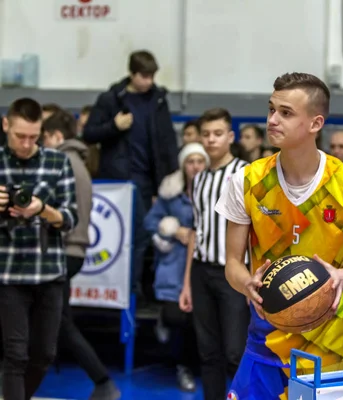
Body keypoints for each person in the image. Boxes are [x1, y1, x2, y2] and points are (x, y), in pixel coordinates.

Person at [215, 72, 343, 399]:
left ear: (315, 123)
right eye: (271, 110)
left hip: (331, 348)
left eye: (286, 113)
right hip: (266, 343)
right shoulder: (246, 181)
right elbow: (233, 264)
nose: (272, 120)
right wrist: (245, 283)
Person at [83, 50, 179, 301]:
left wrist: (167, 181)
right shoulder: (111, 98)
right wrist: (114, 126)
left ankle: (133, 287)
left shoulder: (158, 100)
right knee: (126, 235)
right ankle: (128, 289)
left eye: (152, 76)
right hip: (119, 181)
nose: (149, 81)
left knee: (142, 235)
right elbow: (89, 133)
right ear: (132, 73)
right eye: (144, 76)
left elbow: (167, 141)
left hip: (148, 180)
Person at [0, 98, 78, 400]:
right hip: (8, 272)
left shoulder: (58, 162)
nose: (26, 143)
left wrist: (42, 209)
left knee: (45, 354)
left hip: (49, 271)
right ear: (6, 124)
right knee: (15, 355)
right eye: (20, 136)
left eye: (34, 136)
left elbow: (71, 218)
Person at [42, 111, 120, 400]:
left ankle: (102, 381)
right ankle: (102, 381)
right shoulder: (80, 163)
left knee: (58, 321)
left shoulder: (61, 163)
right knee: (56, 319)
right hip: (74, 249)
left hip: (60, 249)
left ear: (56, 137)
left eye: (44, 138)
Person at [178, 108, 250, 400]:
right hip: (201, 270)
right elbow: (196, 231)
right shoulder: (200, 179)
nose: (211, 140)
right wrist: (186, 283)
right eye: (205, 134)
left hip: (233, 273)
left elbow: (257, 231)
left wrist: (250, 279)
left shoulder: (246, 174)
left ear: (230, 136)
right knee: (208, 353)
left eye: (217, 134)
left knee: (236, 351)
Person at [144, 143, 209, 392]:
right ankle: (182, 365)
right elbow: (150, 221)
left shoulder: (216, 193)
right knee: (176, 317)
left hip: (204, 266)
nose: (195, 166)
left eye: (199, 161)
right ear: (183, 165)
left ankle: (190, 366)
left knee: (196, 321)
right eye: (190, 161)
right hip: (174, 265)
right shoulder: (171, 193)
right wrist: (171, 228)